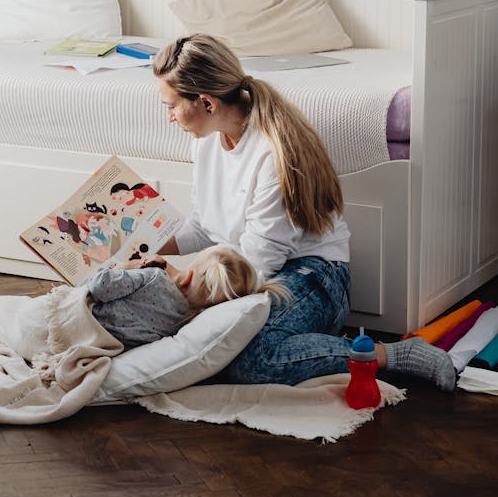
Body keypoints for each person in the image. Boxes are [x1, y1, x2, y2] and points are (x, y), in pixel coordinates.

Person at [151, 34, 457, 392]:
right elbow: (204, 228)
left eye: (171, 105)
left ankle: (392, 355)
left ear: (206, 103)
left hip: (312, 276)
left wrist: (187, 291)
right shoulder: (205, 142)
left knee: (253, 358)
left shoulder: (271, 151)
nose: (169, 117)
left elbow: (259, 262)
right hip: (246, 273)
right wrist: (149, 249)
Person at [84, 244, 288, 350]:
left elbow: (99, 287)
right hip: (109, 343)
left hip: (87, 322)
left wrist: (122, 267)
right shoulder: (185, 320)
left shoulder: (152, 276)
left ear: (188, 275)